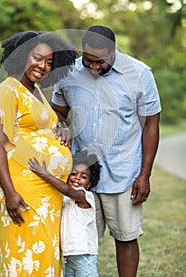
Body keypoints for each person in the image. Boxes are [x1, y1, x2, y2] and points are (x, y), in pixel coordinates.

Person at [51, 25, 162, 277]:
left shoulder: (140, 73)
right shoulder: (69, 73)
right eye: (88, 60)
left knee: (125, 237)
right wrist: (60, 125)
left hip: (124, 174)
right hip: (81, 175)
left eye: (99, 61)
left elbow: (151, 125)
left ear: (113, 51)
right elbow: (57, 111)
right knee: (77, 241)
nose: (92, 67)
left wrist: (144, 174)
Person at [0, 30, 77, 276]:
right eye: (37, 58)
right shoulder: (8, 90)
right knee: (23, 256)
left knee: (45, 253)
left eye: (49, 62)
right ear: (21, 56)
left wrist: (63, 128)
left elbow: (48, 124)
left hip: (45, 190)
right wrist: (9, 192)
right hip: (21, 188)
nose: (43, 66)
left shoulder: (34, 92)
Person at [28, 150, 102, 277]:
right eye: (73, 174)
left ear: (89, 184)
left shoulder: (85, 196)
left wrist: (44, 174)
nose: (77, 178)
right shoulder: (64, 199)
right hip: (69, 255)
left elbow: (69, 191)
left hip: (84, 255)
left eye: (83, 177)